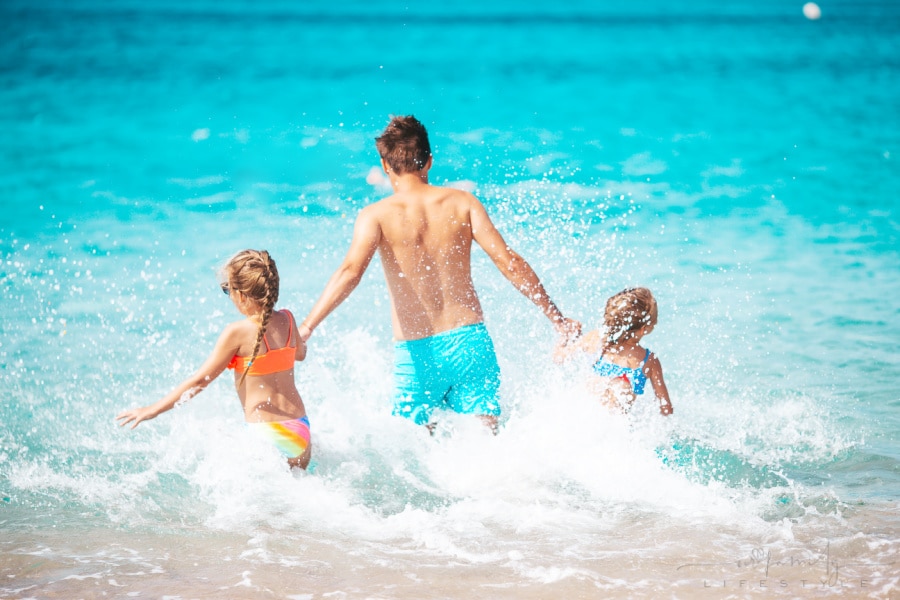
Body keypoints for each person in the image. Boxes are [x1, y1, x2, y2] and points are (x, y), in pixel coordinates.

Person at [297, 115, 580, 432]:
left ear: (386, 166)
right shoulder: (463, 202)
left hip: (416, 356)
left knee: (412, 458)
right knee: (487, 449)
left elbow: (350, 273)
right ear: (429, 160)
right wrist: (558, 319)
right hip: (469, 343)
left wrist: (307, 327)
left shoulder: (375, 216)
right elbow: (509, 262)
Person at [116, 250, 313, 469]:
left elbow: (200, 381)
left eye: (227, 289)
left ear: (241, 295)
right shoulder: (288, 318)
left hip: (265, 433)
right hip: (300, 430)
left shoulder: (237, 332)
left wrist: (151, 410)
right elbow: (300, 354)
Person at [556, 287, 673, 416]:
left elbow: (559, 358)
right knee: (621, 390)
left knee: (595, 385)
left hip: (584, 412)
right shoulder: (649, 360)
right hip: (616, 425)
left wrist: (565, 337)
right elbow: (666, 407)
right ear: (643, 329)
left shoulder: (595, 338)